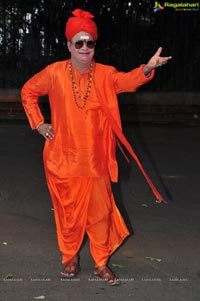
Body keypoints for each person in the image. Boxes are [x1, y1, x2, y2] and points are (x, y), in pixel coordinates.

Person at [21, 8, 172, 286]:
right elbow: (28, 91)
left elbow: (126, 81)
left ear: (94, 46)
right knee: (68, 214)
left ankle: (101, 262)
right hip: (62, 160)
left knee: (100, 214)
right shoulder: (53, 73)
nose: (85, 48)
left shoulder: (104, 74)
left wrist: (147, 68)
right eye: (78, 42)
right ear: (68, 45)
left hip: (96, 161)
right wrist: (39, 124)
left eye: (89, 42)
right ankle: (70, 256)